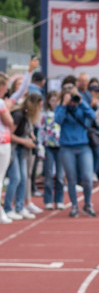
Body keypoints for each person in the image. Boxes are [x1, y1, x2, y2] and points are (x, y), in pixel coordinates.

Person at [56, 81, 98, 217]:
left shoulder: (80, 105)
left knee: (87, 177)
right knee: (71, 178)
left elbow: (92, 115)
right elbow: (58, 120)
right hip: (67, 147)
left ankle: (88, 203)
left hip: (83, 146)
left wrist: (80, 102)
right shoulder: (61, 107)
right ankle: (74, 205)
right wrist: (64, 105)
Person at [4, 92, 43, 220]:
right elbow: (9, 134)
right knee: (15, 178)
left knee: (24, 178)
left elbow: (26, 131)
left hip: (22, 151)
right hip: (14, 149)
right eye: (39, 106)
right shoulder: (18, 115)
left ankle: (19, 207)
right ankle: (8, 208)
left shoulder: (27, 116)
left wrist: (31, 137)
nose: (40, 110)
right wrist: (25, 141)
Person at [40, 90, 66, 211]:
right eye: (52, 100)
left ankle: (59, 200)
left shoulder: (62, 113)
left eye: (57, 100)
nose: (54, 103)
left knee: (60, 176)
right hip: (49, 146)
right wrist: (40, 147)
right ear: (48, 101)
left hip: (61, 146)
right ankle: (48, 200)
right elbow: (41, 131)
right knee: (49, 174)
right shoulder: (45, 115)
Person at [0, 75, 12, 224]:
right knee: (1, 178)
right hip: (3, 143)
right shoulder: (1, 103)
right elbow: (10, 121)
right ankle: (1, 212)